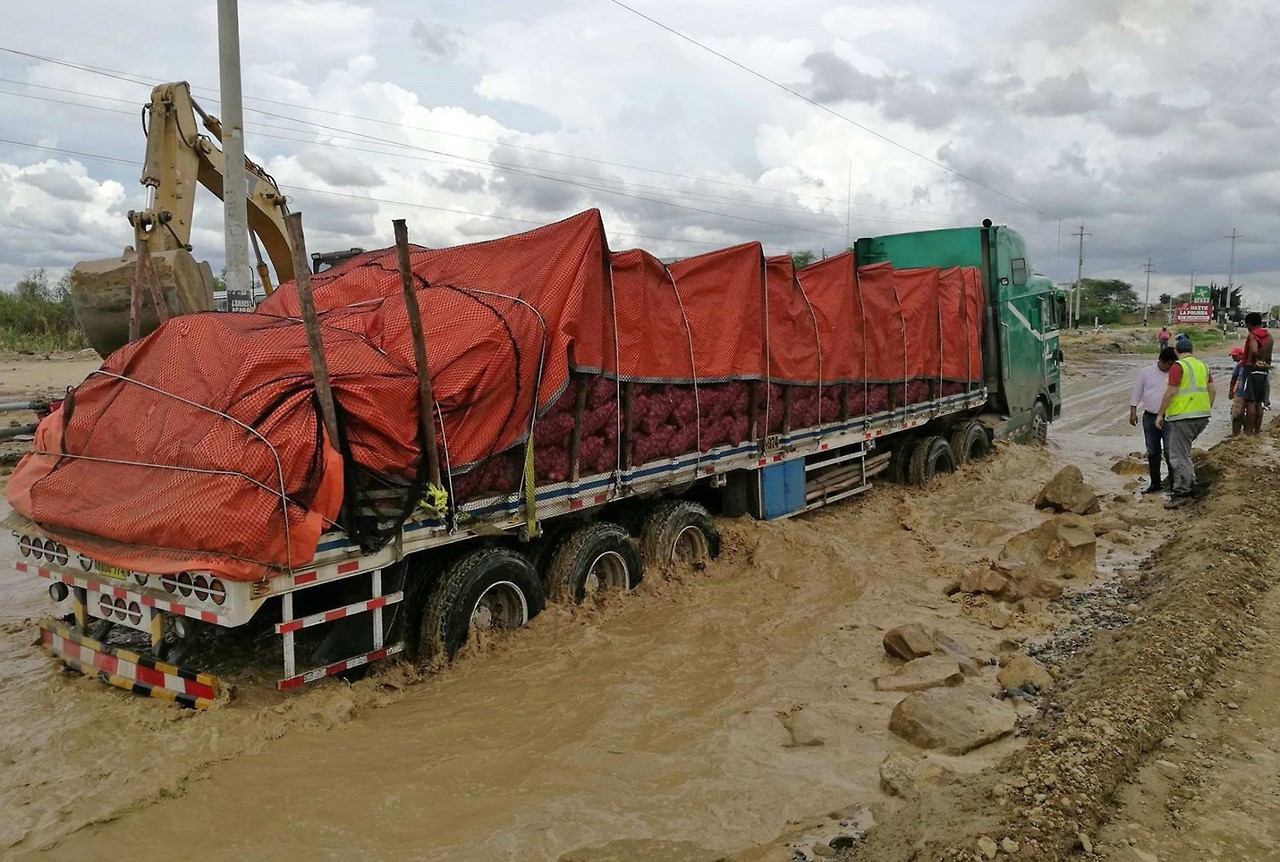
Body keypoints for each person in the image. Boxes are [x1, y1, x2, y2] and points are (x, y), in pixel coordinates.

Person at [1156, 336, 1215, 508]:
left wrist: (1160, 414)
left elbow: (1171, 392)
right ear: (1192, 350)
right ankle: (1191, 484)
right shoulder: (1203, 366)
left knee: (1177, 455)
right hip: (1201, 417)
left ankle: (1182, 492)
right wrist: (1206, 408)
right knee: (1184, 452)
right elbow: (1212, 390)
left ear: (1176, 352)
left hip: (1183, 418)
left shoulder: (1178, 366)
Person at [1129, 347, 1177, 493]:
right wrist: (1133, 412)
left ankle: (1173, 484)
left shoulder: (1175, 374)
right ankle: (1155, 484)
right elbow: (1137, 392)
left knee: (1170, 451)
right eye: (1168, 364)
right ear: (1161, 361)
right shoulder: (1146, 372)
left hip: (1169, 417)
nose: (1170, 367)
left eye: (1172, 364)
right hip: (1150, 417)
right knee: (1153, 452)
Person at [1240, 311, 1273, 435]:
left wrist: (1256, 360)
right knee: (1259, 401)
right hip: (1264, 370)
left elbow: (1254, 351)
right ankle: (1257, 431)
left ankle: (1248, 432)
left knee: (1250, 401)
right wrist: (1263, 362)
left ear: (1249, 323)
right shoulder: (1269, 336)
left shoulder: (1253, 335)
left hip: (1252, 369)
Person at [1229, 345, 1246, 436]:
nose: (1233, 357)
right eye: (1232, 355)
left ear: (1241, 355)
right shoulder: (1239, 365)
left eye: (1234, 355)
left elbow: (1234, 378)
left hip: (1242, 392)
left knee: (1236, 414)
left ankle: (1236, 434)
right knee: (1238, 413)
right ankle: (1242, 432)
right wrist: (1231, 391)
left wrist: (1231, 391)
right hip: (1240, 392)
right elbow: (1234, 378)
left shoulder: (1241, 365)